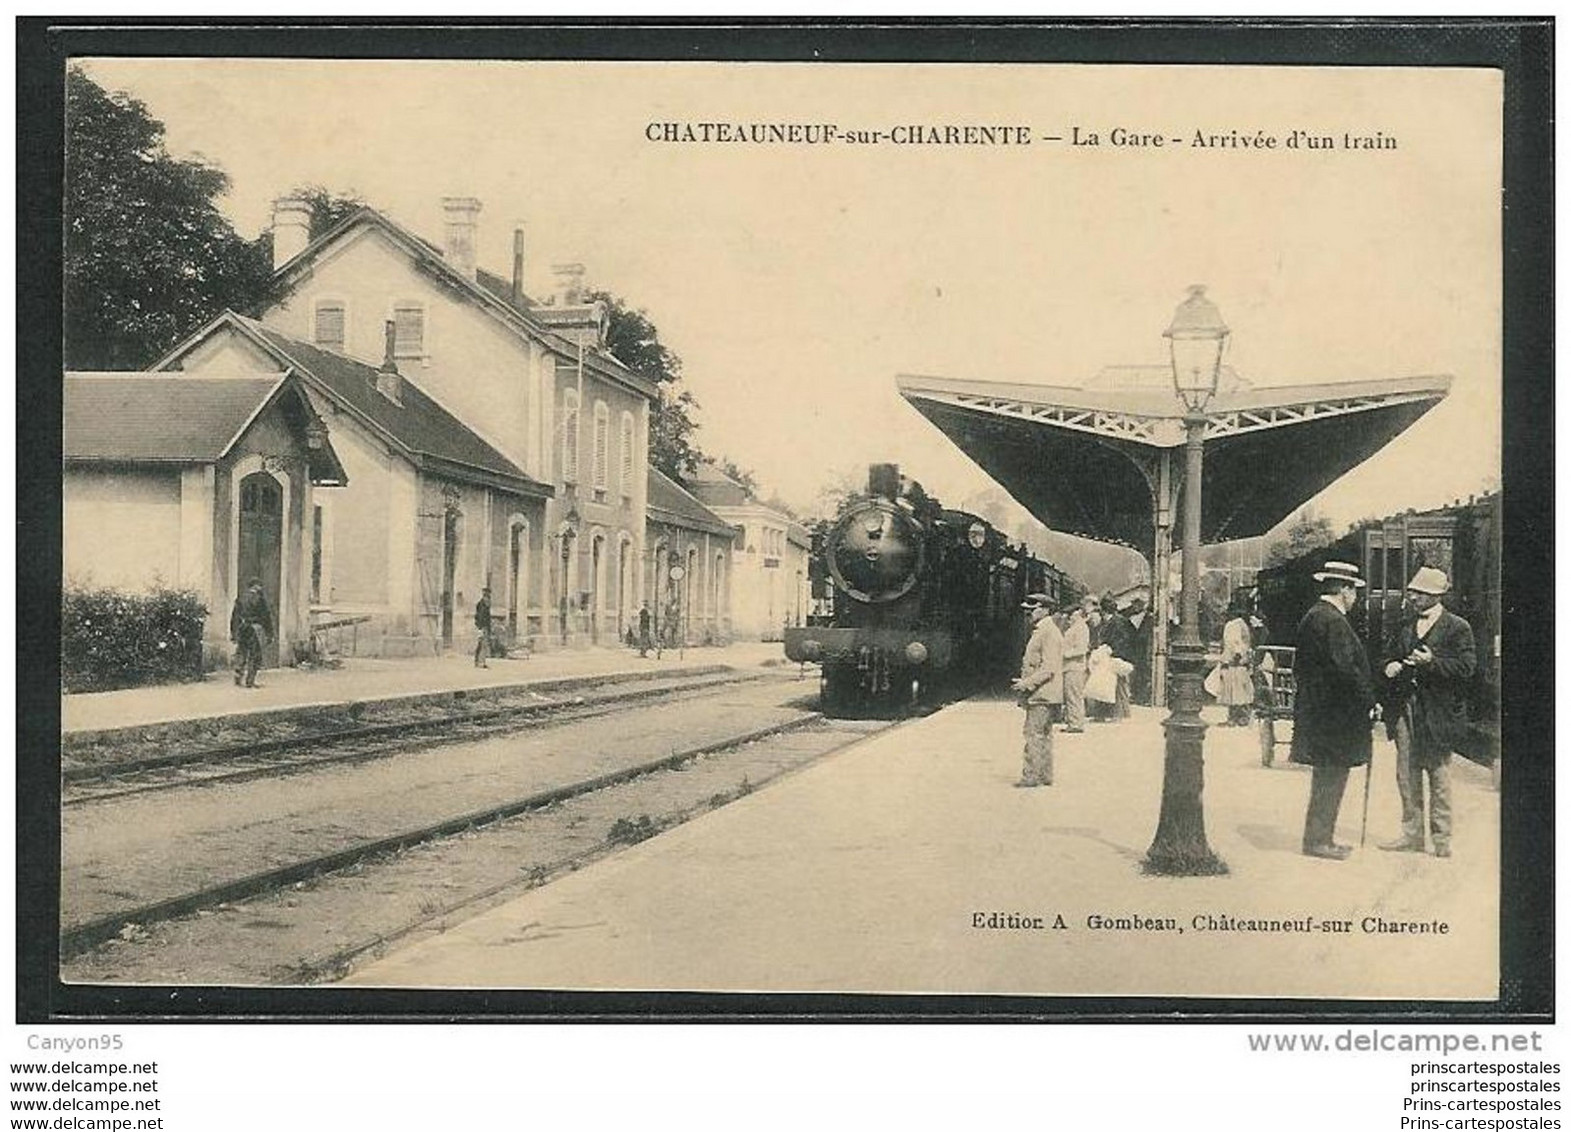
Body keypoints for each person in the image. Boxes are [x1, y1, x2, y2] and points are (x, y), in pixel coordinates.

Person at [1379, 567, 1477, 859]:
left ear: (1435, 596)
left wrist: (1432, 661)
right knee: (1406, 773)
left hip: (1438, 712)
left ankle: (1442, 838)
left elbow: (1467, 668)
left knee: (1438, 774)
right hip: (1405, 708)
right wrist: (1388, 666)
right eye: (1412, 592)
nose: (1412, 597)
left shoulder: (1458, 627)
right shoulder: (1404, 625)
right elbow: (1386, 655)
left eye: (1419, 593)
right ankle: (1412, 835)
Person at [1289, 561, 1378, 860]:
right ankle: (1319, 841)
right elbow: (1346, 670)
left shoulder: (1314, 616)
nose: (1356, 598)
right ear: (1344, 589)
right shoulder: (1333, 621)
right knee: (1331, 777)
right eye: (1355, 591)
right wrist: (1370, 701)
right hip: (1334, 716)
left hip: (1321, 712)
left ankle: (1319, 838)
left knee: (1326, 777)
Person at [1011, 593, 1063, 787]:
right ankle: (1044, 775)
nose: (1028, 614)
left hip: (1042, 694)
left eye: (1032, 610)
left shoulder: (1048, 632)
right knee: (1044, 734)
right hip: (1045, 693)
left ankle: (1031, 776)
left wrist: (1027, 683)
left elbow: (1048, 667)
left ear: (1044, 610)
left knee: (1033, 734)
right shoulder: (1046, 630)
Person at [1216, 598, 1256, 726]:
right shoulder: (1241, 624)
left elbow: (1236, 643)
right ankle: (1236, 716)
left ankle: (1239, 716)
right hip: (1235, 661)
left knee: (1236, 691)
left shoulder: (1234, 625)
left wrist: (1237, 654)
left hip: (1235, 662)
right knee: (1237, 690)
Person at [229, 577, 273, 689]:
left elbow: (234, 617)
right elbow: (266, 618)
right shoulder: (260, 599)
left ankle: (238, 677)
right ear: (255, 586)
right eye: (258, 586)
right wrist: (269, 633)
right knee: (255, 655)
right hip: (254, 630)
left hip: (243, 629)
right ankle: (250, 681)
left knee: (241, 653)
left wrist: (234, 632)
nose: (260, 588)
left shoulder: (241, 598)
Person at [1098, 596, 1136, 719]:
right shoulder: (1119, 620)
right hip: (1121, 656)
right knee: (1120, 686)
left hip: (1117, 657)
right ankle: (1123, 713)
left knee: (1118, 685)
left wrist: (1112, 650)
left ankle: (1119, 714)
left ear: (1103, 610)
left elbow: (1122, 640)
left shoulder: (1115, 622)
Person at [1060, 600, 1091, 731]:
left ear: (1078, 614)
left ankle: (1075, 724)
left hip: (1074, 666)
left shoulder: (1081, 628)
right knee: (1071, 695)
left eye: (1071, 614)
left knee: (1073, 695)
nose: (1069, 617)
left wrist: (1066, 654)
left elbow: (1082, 649)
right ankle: (1073, 722)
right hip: (1070, 666)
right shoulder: (1075, 627)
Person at [473, 587, 493, 668]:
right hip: (482, 627)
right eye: (487, 596)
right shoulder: (482, 605)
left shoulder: (484, 605)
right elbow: (480, 617)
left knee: (482, 644)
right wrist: (481, 627)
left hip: (484, 627)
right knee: (482, 645)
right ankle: (480, 662)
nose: (488, 598)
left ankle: (480, 661)